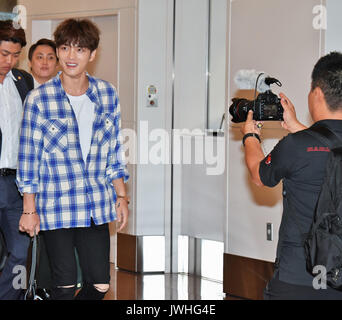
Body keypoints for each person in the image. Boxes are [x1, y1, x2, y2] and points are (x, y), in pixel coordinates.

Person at [17, 18, 129, 300]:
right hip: (57, 205)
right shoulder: (39, 99)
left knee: (101, 284)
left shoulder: (107, 94)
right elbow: (29, 158)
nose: (71, 56)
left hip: (95, 204)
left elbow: (114, 150)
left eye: (80, 50)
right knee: (65, 286)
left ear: (92, 55)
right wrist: (29, 209)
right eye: (65, 48)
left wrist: (122, 196)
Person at [241, 51, 342, 300]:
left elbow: (258, 174)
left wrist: (250, 137)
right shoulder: (305, 142)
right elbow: (328, 149)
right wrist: (298, 127)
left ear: (317, 93)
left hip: (299, 277)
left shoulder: (296, 146)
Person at [0, 20, 33, 300]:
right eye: (3, 54)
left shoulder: (23, 82)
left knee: (21, 251)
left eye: (15, 55)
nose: (9, 61)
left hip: (15, 185)